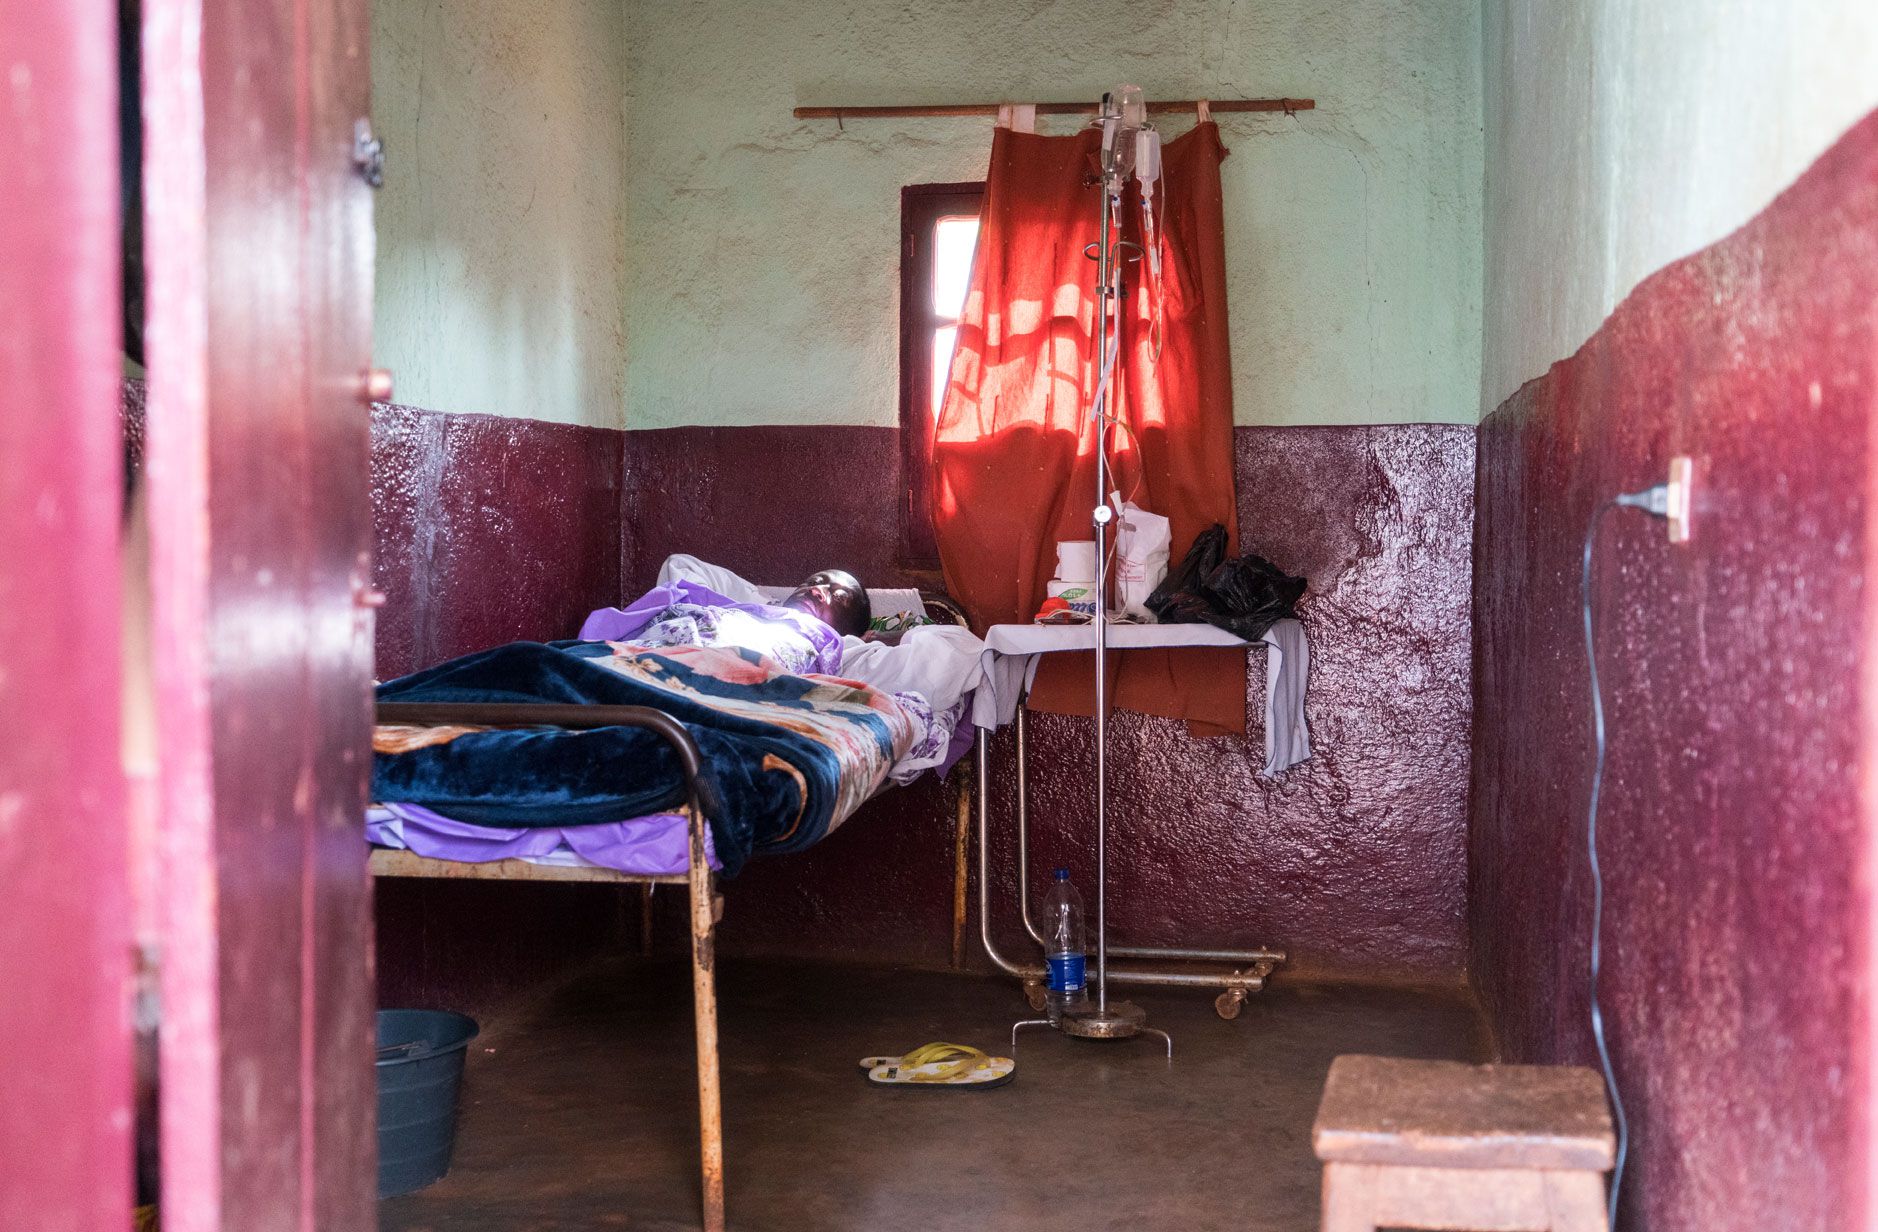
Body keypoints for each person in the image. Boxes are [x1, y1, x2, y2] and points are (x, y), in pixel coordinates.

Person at [577, 567, 873, 677]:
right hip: (648, 652)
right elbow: (680, 564)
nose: (818, 590)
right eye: (815, 581)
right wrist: (759, 603)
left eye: (839, 597)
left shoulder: (836, 648)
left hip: (712, 674)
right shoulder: (748, 609)